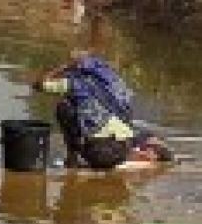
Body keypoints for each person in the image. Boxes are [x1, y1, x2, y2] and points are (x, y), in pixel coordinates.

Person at [32, 51, 170, 169]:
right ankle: (141, 151)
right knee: (133, 132)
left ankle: (72, 158)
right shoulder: (114, 81)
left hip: (102, 154)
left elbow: (38, 85)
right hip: (125, 140)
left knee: (63, 107)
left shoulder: (75, 83)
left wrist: (64, 67)